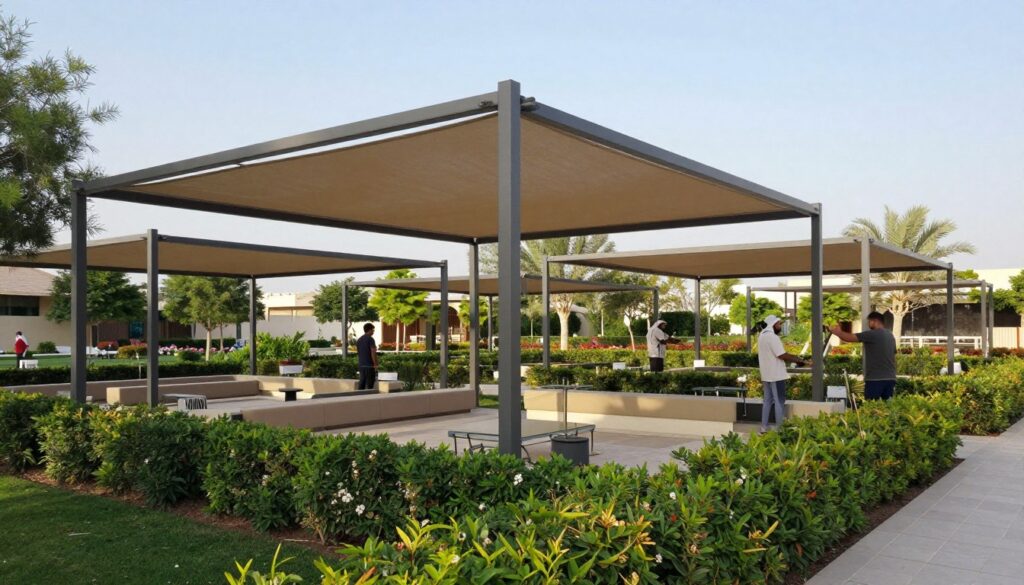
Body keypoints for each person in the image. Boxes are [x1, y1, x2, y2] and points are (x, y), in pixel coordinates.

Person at [757, 315, 809, 432]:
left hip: (766, 375)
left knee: (767, 401)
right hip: (776, 375)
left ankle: (763, 428)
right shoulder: (772, 337)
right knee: (779, 401)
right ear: (773, 324)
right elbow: (781, 354)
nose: (780, 326)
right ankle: (780, 429)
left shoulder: (762, 336)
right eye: (779, 324)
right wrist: (800, 360)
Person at [830, 311, 897, 400]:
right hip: (890, 378)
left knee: (870, 408)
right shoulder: (890, 335)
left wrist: (838, 332)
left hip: (875, 379)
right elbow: (893, 354)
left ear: (875, 321)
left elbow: (849, 338)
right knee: (887, 408)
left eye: (869, 322)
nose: (869, 324)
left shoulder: (872, 334)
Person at [356, 323, 379, 390]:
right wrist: (375, 364)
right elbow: (373, 353)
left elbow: (359, 352)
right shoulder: (370, 339)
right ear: (369, 330)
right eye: (373, 330)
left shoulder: (359, 340)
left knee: (362, 384)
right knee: (370, 385)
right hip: (369, 366)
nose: (373, 331)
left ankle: (359, 398)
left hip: (361, 365)